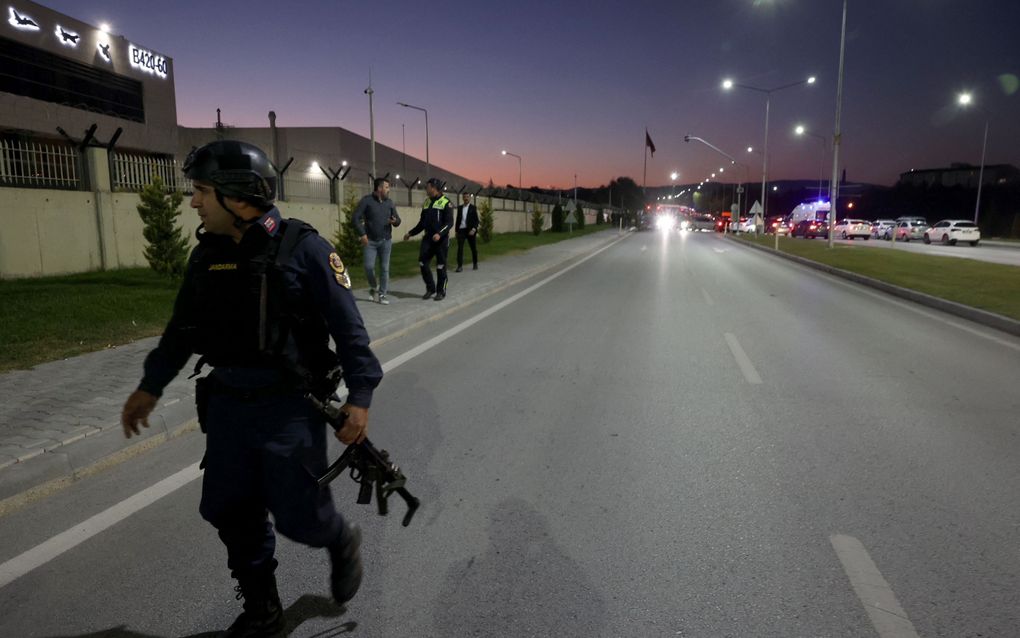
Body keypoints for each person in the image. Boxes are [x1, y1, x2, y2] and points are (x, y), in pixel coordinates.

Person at [120, 140, 383, 637]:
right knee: (228, 509)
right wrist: (149, 387)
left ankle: (339, 539)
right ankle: (263, 608)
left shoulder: (304, 249)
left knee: (299, 518)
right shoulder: (206, 257)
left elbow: (350, 332)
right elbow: (182, 331)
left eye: (200, 191)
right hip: (227, 409)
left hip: (290, 410)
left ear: (235, 195)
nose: (194, 202)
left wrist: (360, 399)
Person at [352, 177, 401, 305]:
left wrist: (395, 221)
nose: (388, 190)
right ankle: (374, 287)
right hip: (370, 242)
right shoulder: (367, 201)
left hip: (386, 241)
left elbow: (398, 221)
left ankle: (382, 294)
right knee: (368, 267)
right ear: (379, 188)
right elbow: (355, 218)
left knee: (384, 269)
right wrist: (362, 234)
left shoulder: (389, 203)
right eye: (386, 187)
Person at [403, 177, 452, 300]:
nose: (426, 189)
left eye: (427, 186)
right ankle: (430, 288)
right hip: (428, 239)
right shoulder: (426, 202)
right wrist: (411, 233)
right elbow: (422, 223)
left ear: (434, 188)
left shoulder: (446, 202)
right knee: (422, 262)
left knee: (441, 266)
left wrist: (439, 234)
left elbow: (449, 223)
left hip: (441, 240)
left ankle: (441, 291)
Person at [454, 193, 479, 272]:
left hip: (470, 230)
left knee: (473, 248)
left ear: (469, 198)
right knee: (460, 248)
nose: (466, 198)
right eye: (464, 197)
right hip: (461, 230)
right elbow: (458, 220)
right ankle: (459, 266)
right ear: (462, 198)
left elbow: (476, 220)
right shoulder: (460, 208)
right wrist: (456, 231)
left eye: (467, 197)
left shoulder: (473, 208)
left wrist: (473, 229)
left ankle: (475, 263)